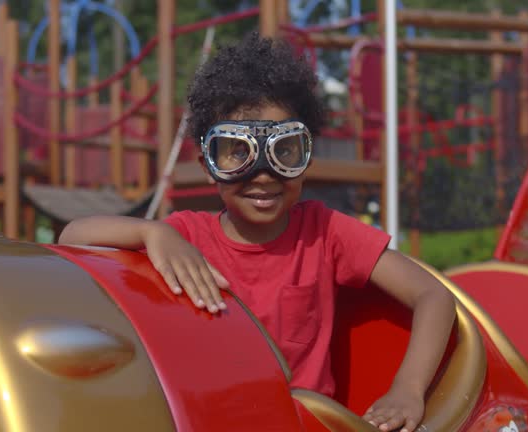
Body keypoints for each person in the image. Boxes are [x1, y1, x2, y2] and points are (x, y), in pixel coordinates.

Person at [59, 32, 456, 432]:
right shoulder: (184, 235)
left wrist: (408, 388)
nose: (262, 174)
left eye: (283, 151)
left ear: (306, 154)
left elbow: (434, 295)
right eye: (237, 152)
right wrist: (150, 233)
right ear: (207, 163)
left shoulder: (325, 232)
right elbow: (72, 237)